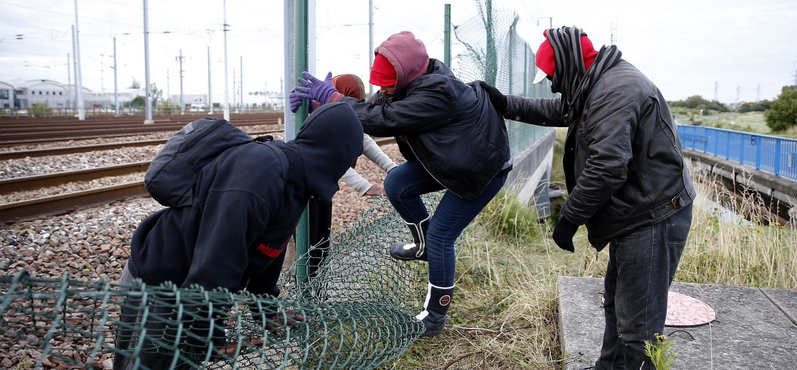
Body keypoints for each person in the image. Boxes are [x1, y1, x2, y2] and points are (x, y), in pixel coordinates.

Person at [480, 26, 695, 370]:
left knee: (638, 328)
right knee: (616, 303)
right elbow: (559, 109)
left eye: (552, 76)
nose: (552, 84)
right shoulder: (597, 82)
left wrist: (569, 218)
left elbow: (607, 168)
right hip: (639, 210)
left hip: (653, 216)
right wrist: (506, 104)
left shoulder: (616, 91)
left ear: (567, 65)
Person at [290, 31, 513, 337]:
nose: (384, 91)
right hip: (451, 159)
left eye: (388, 85)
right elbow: (371, 109)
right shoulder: (407, 82)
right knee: (397, 182)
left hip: (480, 170)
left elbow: (384, 119)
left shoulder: (436, 93)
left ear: (406, 74)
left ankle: (434, 316)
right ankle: (422, 245)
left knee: (442, 236)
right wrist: (325, 103)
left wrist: (333, 98)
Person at [113, 102, 364, 369]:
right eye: (353, 155)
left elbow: (269, 248)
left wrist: (265, 309)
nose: (354, 164)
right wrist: (208, 334)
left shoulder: (297, 180)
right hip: (161, 282)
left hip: (191, 295)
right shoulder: (262, 171)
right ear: (338, 152)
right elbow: (218, 258)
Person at [296, 73, 398, 277]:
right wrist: (364, 186)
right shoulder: (320, 115)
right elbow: (328, 157)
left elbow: (361, 137)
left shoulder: (339, 113)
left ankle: (316, 292)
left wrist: (391, 168)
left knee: (321, 245)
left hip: (322, 187)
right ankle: (299, 293)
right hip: (302, 191)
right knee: (305, 246)